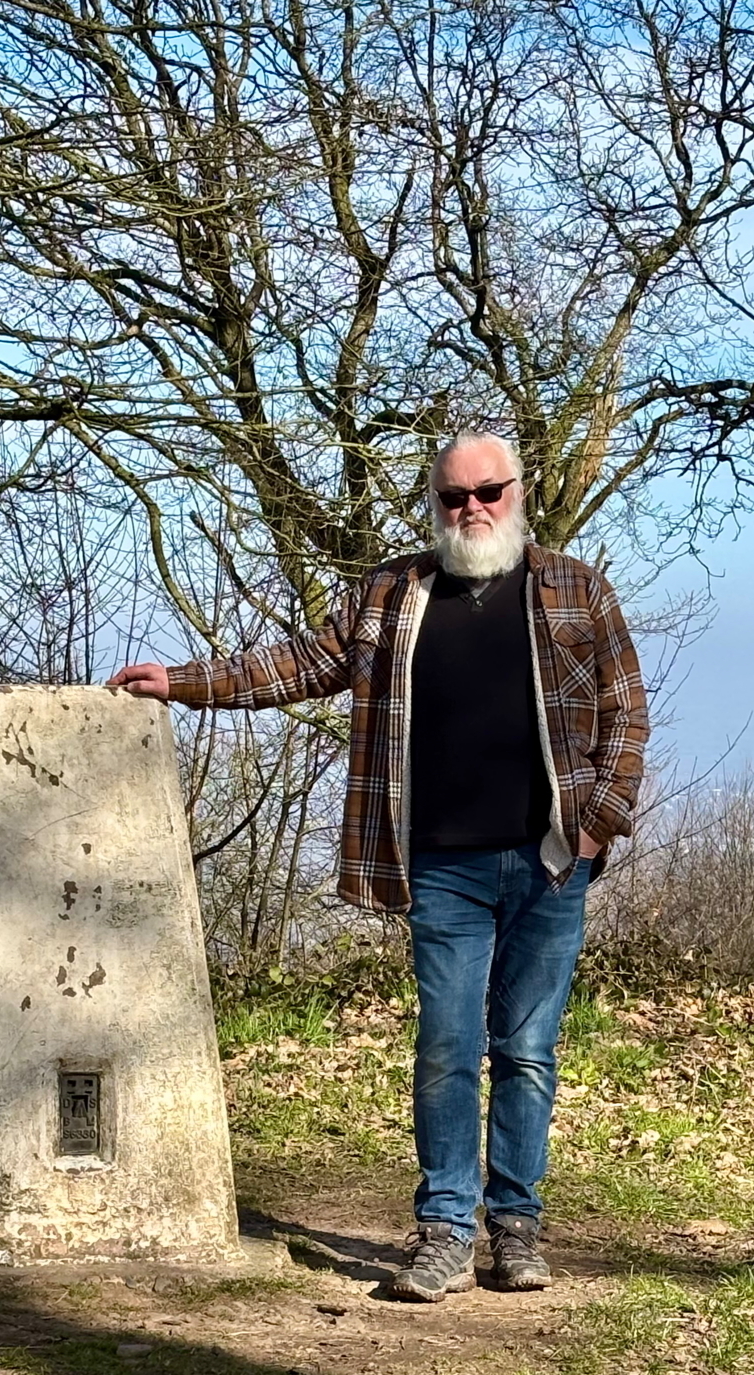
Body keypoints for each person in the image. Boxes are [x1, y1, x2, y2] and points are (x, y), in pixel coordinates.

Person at [109, 432, 648, 1302]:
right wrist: (182, 681)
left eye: (489, 492)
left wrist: (593, 832)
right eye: (453, 497)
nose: (472, 509)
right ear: (433, 505)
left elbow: (626, 717)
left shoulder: (577, 590)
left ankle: (516, 1229)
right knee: (446, 1047)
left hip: (549, 863)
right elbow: (300, 663)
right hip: (439, 866)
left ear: (519, 492)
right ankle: (442, 1229)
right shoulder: (393, 594)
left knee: (528, 1051)